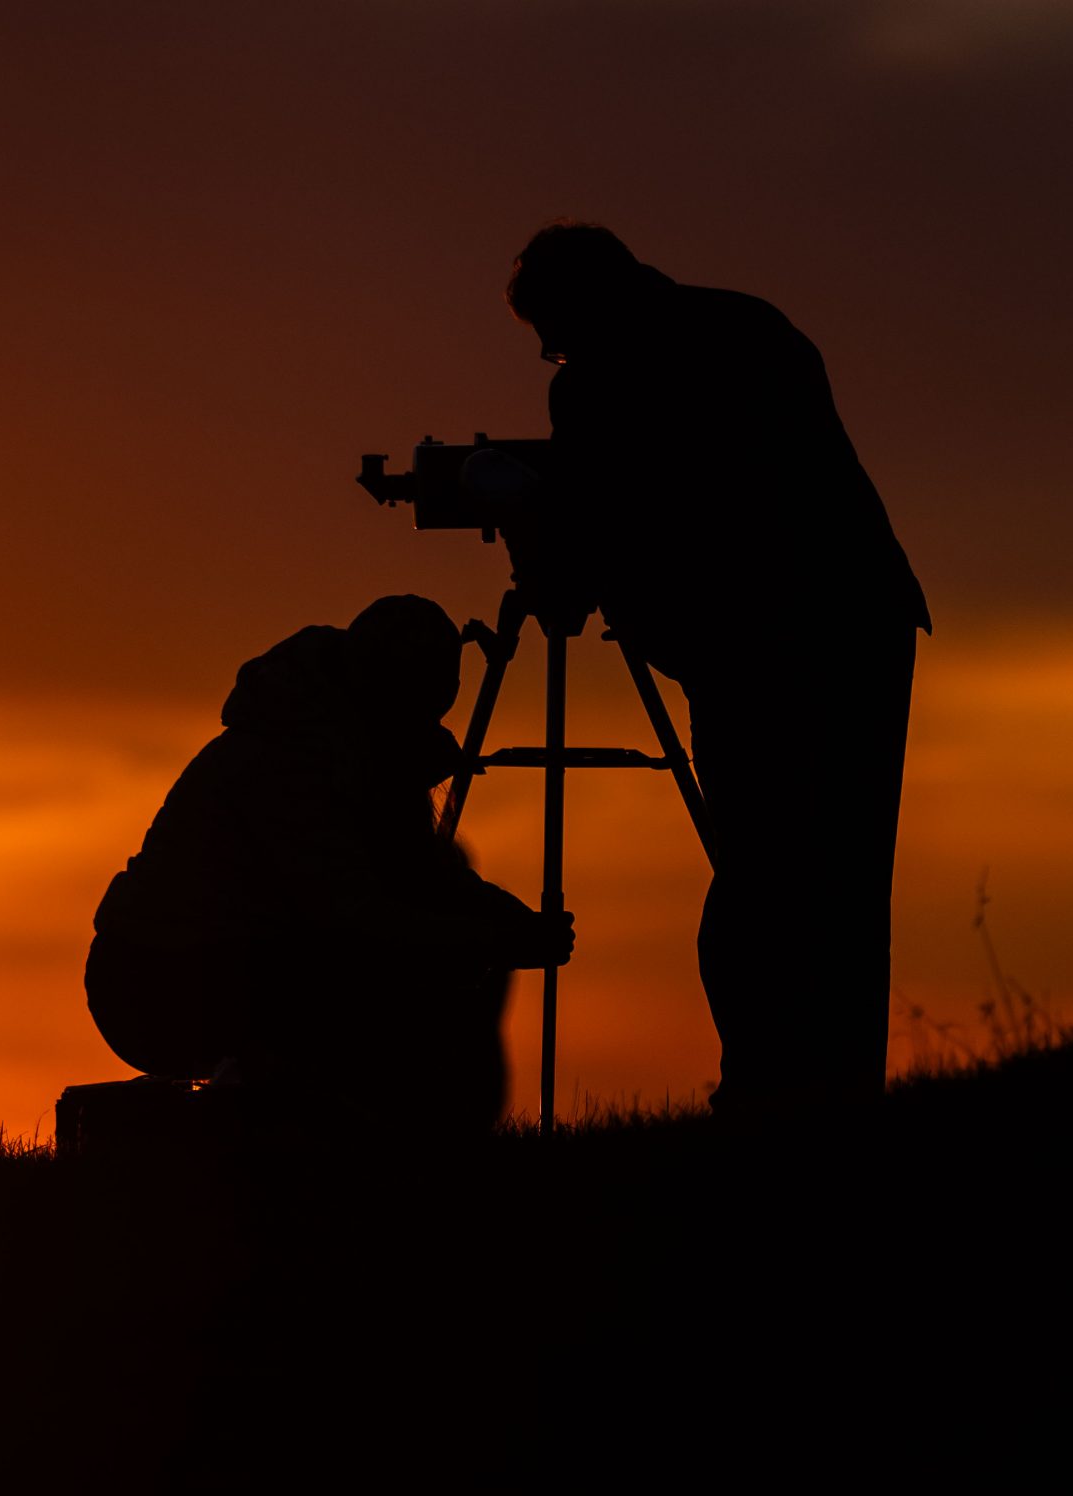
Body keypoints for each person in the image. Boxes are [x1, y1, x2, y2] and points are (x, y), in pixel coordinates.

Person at [487, 222, 931, 1115]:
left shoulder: (600, 384)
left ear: (583, 308)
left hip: (756, 644)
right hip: (860, 619)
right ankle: (837, 1092)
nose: (550, 355)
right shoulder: (750, 325)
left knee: (759, 870)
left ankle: (765, 1089)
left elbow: (602, 529)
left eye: (553, 334)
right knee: (843, 874)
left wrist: (526, 516)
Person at [83, 594, 574, 1135]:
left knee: (399, 969)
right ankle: (285, 1122)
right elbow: (349, 915)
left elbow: (420, 872)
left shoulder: (351, 747)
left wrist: (509, 923)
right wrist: (490, 940)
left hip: (217, 964)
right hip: (154, 981)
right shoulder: (289, 759)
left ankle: (308, 1119)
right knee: (375, 974)